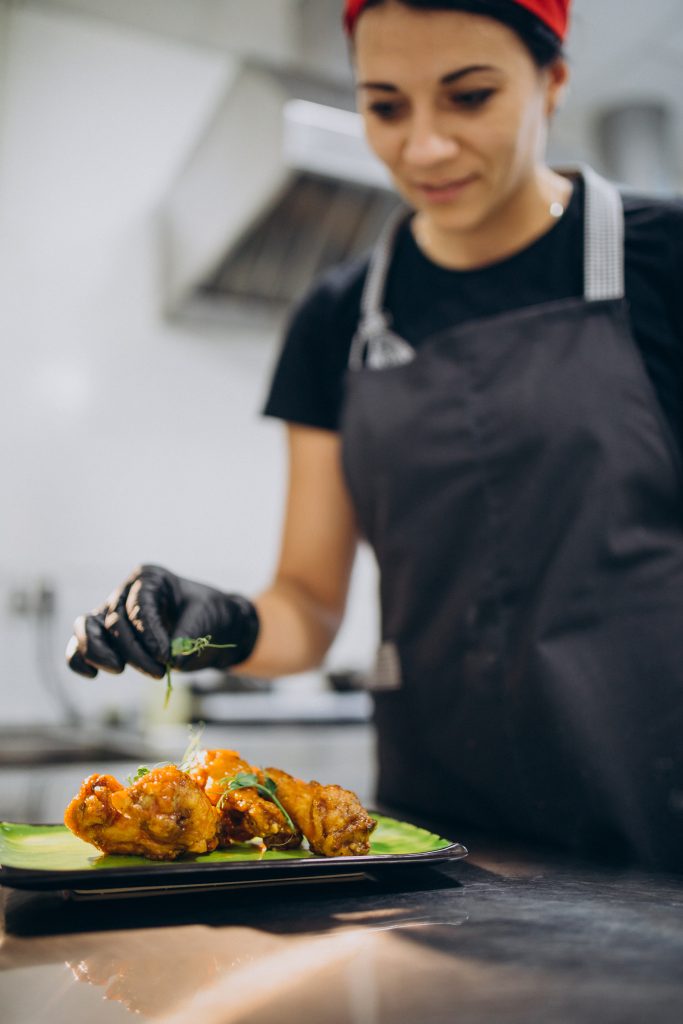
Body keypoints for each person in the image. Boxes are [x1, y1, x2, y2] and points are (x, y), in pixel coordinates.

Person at [66, 0, 683, 869]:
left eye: (467, 97)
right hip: (437, 842)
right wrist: (212, 624)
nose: (422, 146)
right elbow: (309, 607)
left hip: (657, 817)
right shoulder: (335, 321)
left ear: (552, 83)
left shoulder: (664, 262)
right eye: (386, 105)